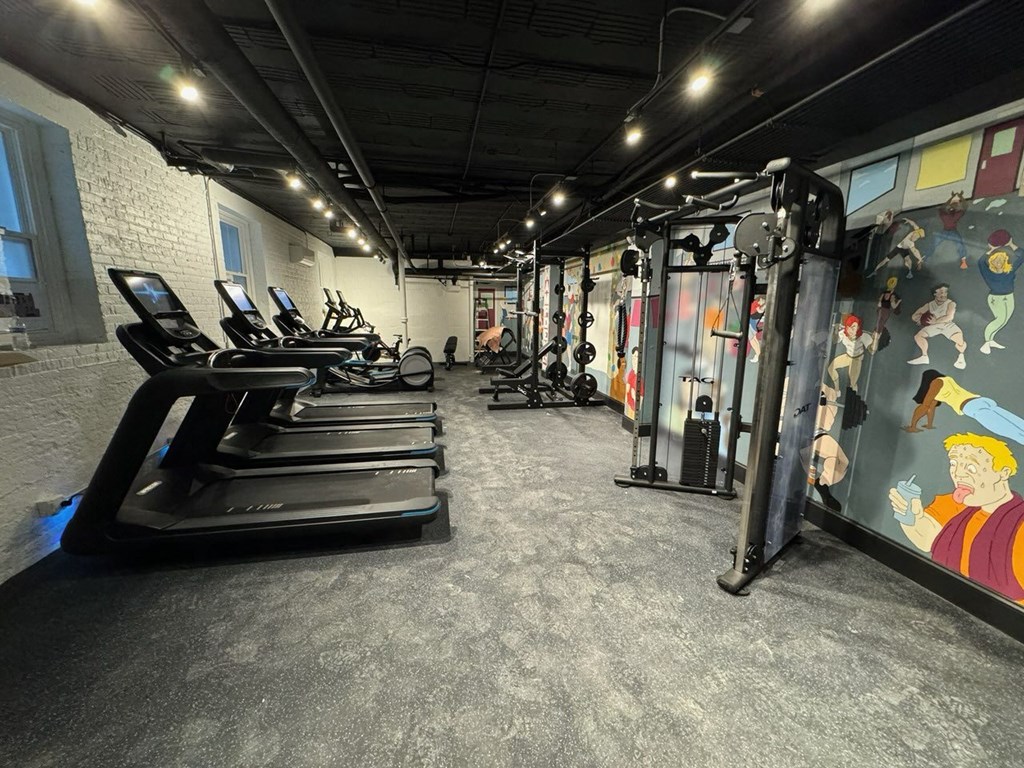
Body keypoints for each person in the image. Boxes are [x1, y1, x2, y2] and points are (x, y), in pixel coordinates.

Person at [889, 433, 1024, 602]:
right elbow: (927, 540)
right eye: (954, 464)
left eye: (971, 468)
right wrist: (910, 514)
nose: (959, 474)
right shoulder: (955, 503)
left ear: (1002, 473)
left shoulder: (1020, 524)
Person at [902, 369, 1024, 444]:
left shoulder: (936, 383)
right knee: (1017, 424)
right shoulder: (946, 381)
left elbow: (925, 406)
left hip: (972, 407)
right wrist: (928, 425)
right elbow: (930, 409)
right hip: (982, 401)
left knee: (1012, 432)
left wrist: (913, 426)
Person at [978, 229, 1024, 354]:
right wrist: (991, 249)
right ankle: (986, 342)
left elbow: (1022, 255)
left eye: (1001, 260)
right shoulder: (988, 273)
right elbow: (981, 262)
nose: (998, 262)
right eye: (995, 260)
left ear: (1005, 261)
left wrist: (1010, 244)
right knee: (1000, 319)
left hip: (1009, 297)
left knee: (1004, 320)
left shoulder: (1009, 271)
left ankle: (990, 340)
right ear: (992, 262)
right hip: (995, 298)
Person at [805, 388, 848, 512]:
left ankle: (823, 482)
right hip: (810, 431)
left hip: (816, 431)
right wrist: (823, 400)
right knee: (842, 461)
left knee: (843, 462)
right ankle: (822, 482)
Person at [908, 283, 966, 369]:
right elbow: (914, 316)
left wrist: (936, 321)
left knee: (960, 339)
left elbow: (949, 316)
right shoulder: (930, 305)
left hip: (947, 325)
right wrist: (920, 319)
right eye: (941, 292)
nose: (943, 295)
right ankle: (924, 356)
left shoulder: (951, 303)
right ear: (935, 293)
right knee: (918, 336)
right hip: (934, 326)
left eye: (945, 292)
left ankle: (961, 356)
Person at [926, 191, 968, 269]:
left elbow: (943, 207)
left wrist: (953, 197)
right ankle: (926, 257)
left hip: (948, 232)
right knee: (958, 244)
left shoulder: (947, 215)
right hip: (948, 232)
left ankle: (926, 257)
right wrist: (959, 197)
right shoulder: (952, 214)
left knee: (959, 244)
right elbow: (964, 206)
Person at [827, 314, 868, 392]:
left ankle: (853, 400)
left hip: (857, 359)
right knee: (830, 368)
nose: (850, 331)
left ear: (858, 328)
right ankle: (837, 390)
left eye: (853, 328)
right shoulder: (843, 333)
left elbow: (872, 349)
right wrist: (836, 330)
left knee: (853, 383)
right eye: (849, 327)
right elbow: (835, 340)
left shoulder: (863, 337)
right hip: (848, 356)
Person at [873, 276, 902, 351]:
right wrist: (898, 302)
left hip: (880, 310)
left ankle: (875, 339)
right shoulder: (892, 296)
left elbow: (879, 303)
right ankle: (876, 341)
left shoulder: (883, 293)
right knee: (881, 325)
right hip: (886, 311)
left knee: (879, 324)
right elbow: (894, 306)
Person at [748, 295, 766, 363]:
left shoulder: (756, 305)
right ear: (760, 299)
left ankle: (758, 354)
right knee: (752, 339)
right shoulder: (755, 304)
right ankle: (758, 354)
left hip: (753, 321)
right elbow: (758, 310)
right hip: (752, 321)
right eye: (763, 301)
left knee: (752, 339)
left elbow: (759, 310)